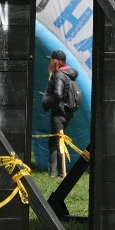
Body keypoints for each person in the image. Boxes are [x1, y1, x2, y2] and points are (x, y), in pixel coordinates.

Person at [41, 50, 79, 178]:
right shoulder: (69, 74)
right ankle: (52, 173)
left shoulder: (59, 74)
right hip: (67, 113)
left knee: (58, 143)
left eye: (51, 59)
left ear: (56, 60)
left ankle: (61, 174)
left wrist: (54, 106)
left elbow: (57, 93)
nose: (50, 62)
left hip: (59, 114)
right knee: (54, 141)